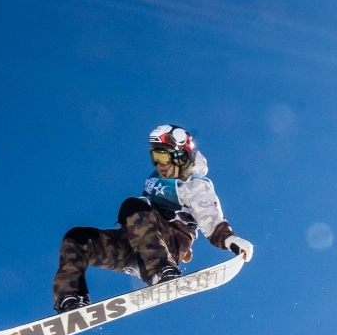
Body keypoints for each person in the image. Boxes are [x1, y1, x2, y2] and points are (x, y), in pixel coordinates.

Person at [52, 124, 252, 314]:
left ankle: (161, 269)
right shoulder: (157, 179)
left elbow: (211, 220)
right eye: (154, 157)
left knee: (132, 205)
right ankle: (70, 299)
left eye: (162, 157)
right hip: (138, 245)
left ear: (180, 154)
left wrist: (231, 240)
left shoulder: (194, 186)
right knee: (77, 238)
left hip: (166, 249)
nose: (159, 165)